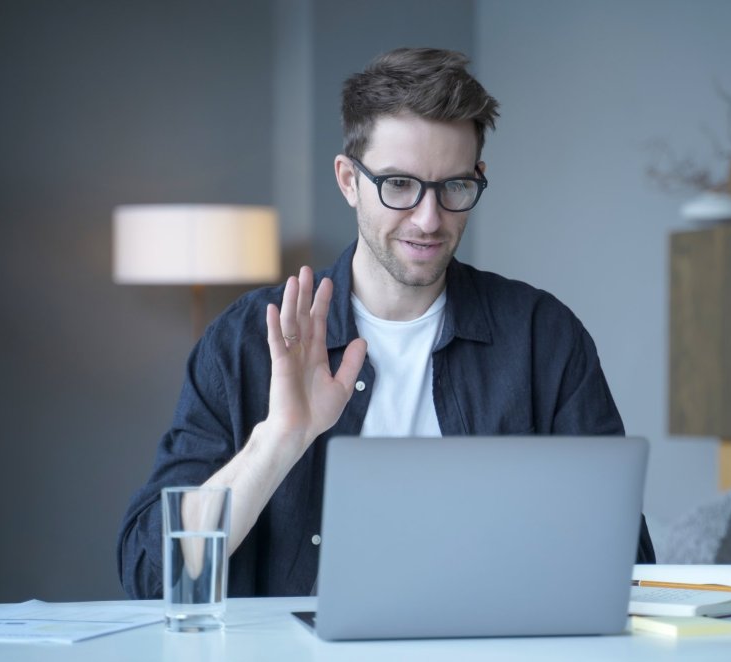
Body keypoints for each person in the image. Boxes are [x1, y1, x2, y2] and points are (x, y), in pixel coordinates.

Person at [117, 47, 655, 599]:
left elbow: (625, 562)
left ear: (479, 178)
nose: (429, 218)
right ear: (349, 180)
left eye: (454, 187)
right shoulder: (244, 341)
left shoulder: (543, 336)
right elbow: (152, 577)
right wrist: (280, 439)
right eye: (399, 184)